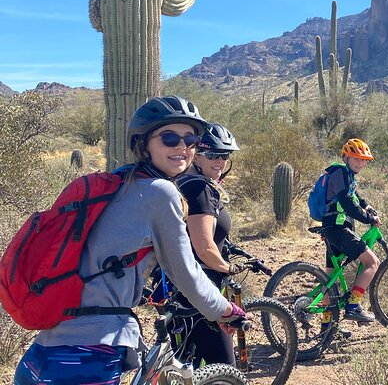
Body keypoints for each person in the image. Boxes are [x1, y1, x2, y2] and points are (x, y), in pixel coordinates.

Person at [14, 96, 245, 385]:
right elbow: (185, 272)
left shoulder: (118, 183)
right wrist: (225, 309)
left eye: (191, 140)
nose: (182, 148)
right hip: (88, 356)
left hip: (42, 353)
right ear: (144, 143)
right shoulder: (161, 192)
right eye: (170, 138)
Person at [175, 122, 241, 367]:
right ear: (197, 155)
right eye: (213, 154)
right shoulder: (200, 189)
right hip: (201, 291)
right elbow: (203, 248)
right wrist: (227, 267)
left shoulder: (184, 181)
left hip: (180, 288)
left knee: (188, 367)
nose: (220, 161)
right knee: (225, 369)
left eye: (225, 155)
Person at [320, 138, 381, 328]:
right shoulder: (340, 171)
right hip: (338, 230)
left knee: (330, 280)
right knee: (372, 262)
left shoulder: (347, 175)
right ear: (345, 156)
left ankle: (327, 327)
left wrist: (367, 206)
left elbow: (354, 196)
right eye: (356, 158)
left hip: (333, 229)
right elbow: (347, 203)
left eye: (363, 160)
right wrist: (369, 219)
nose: (360, 163)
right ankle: (353, 305)